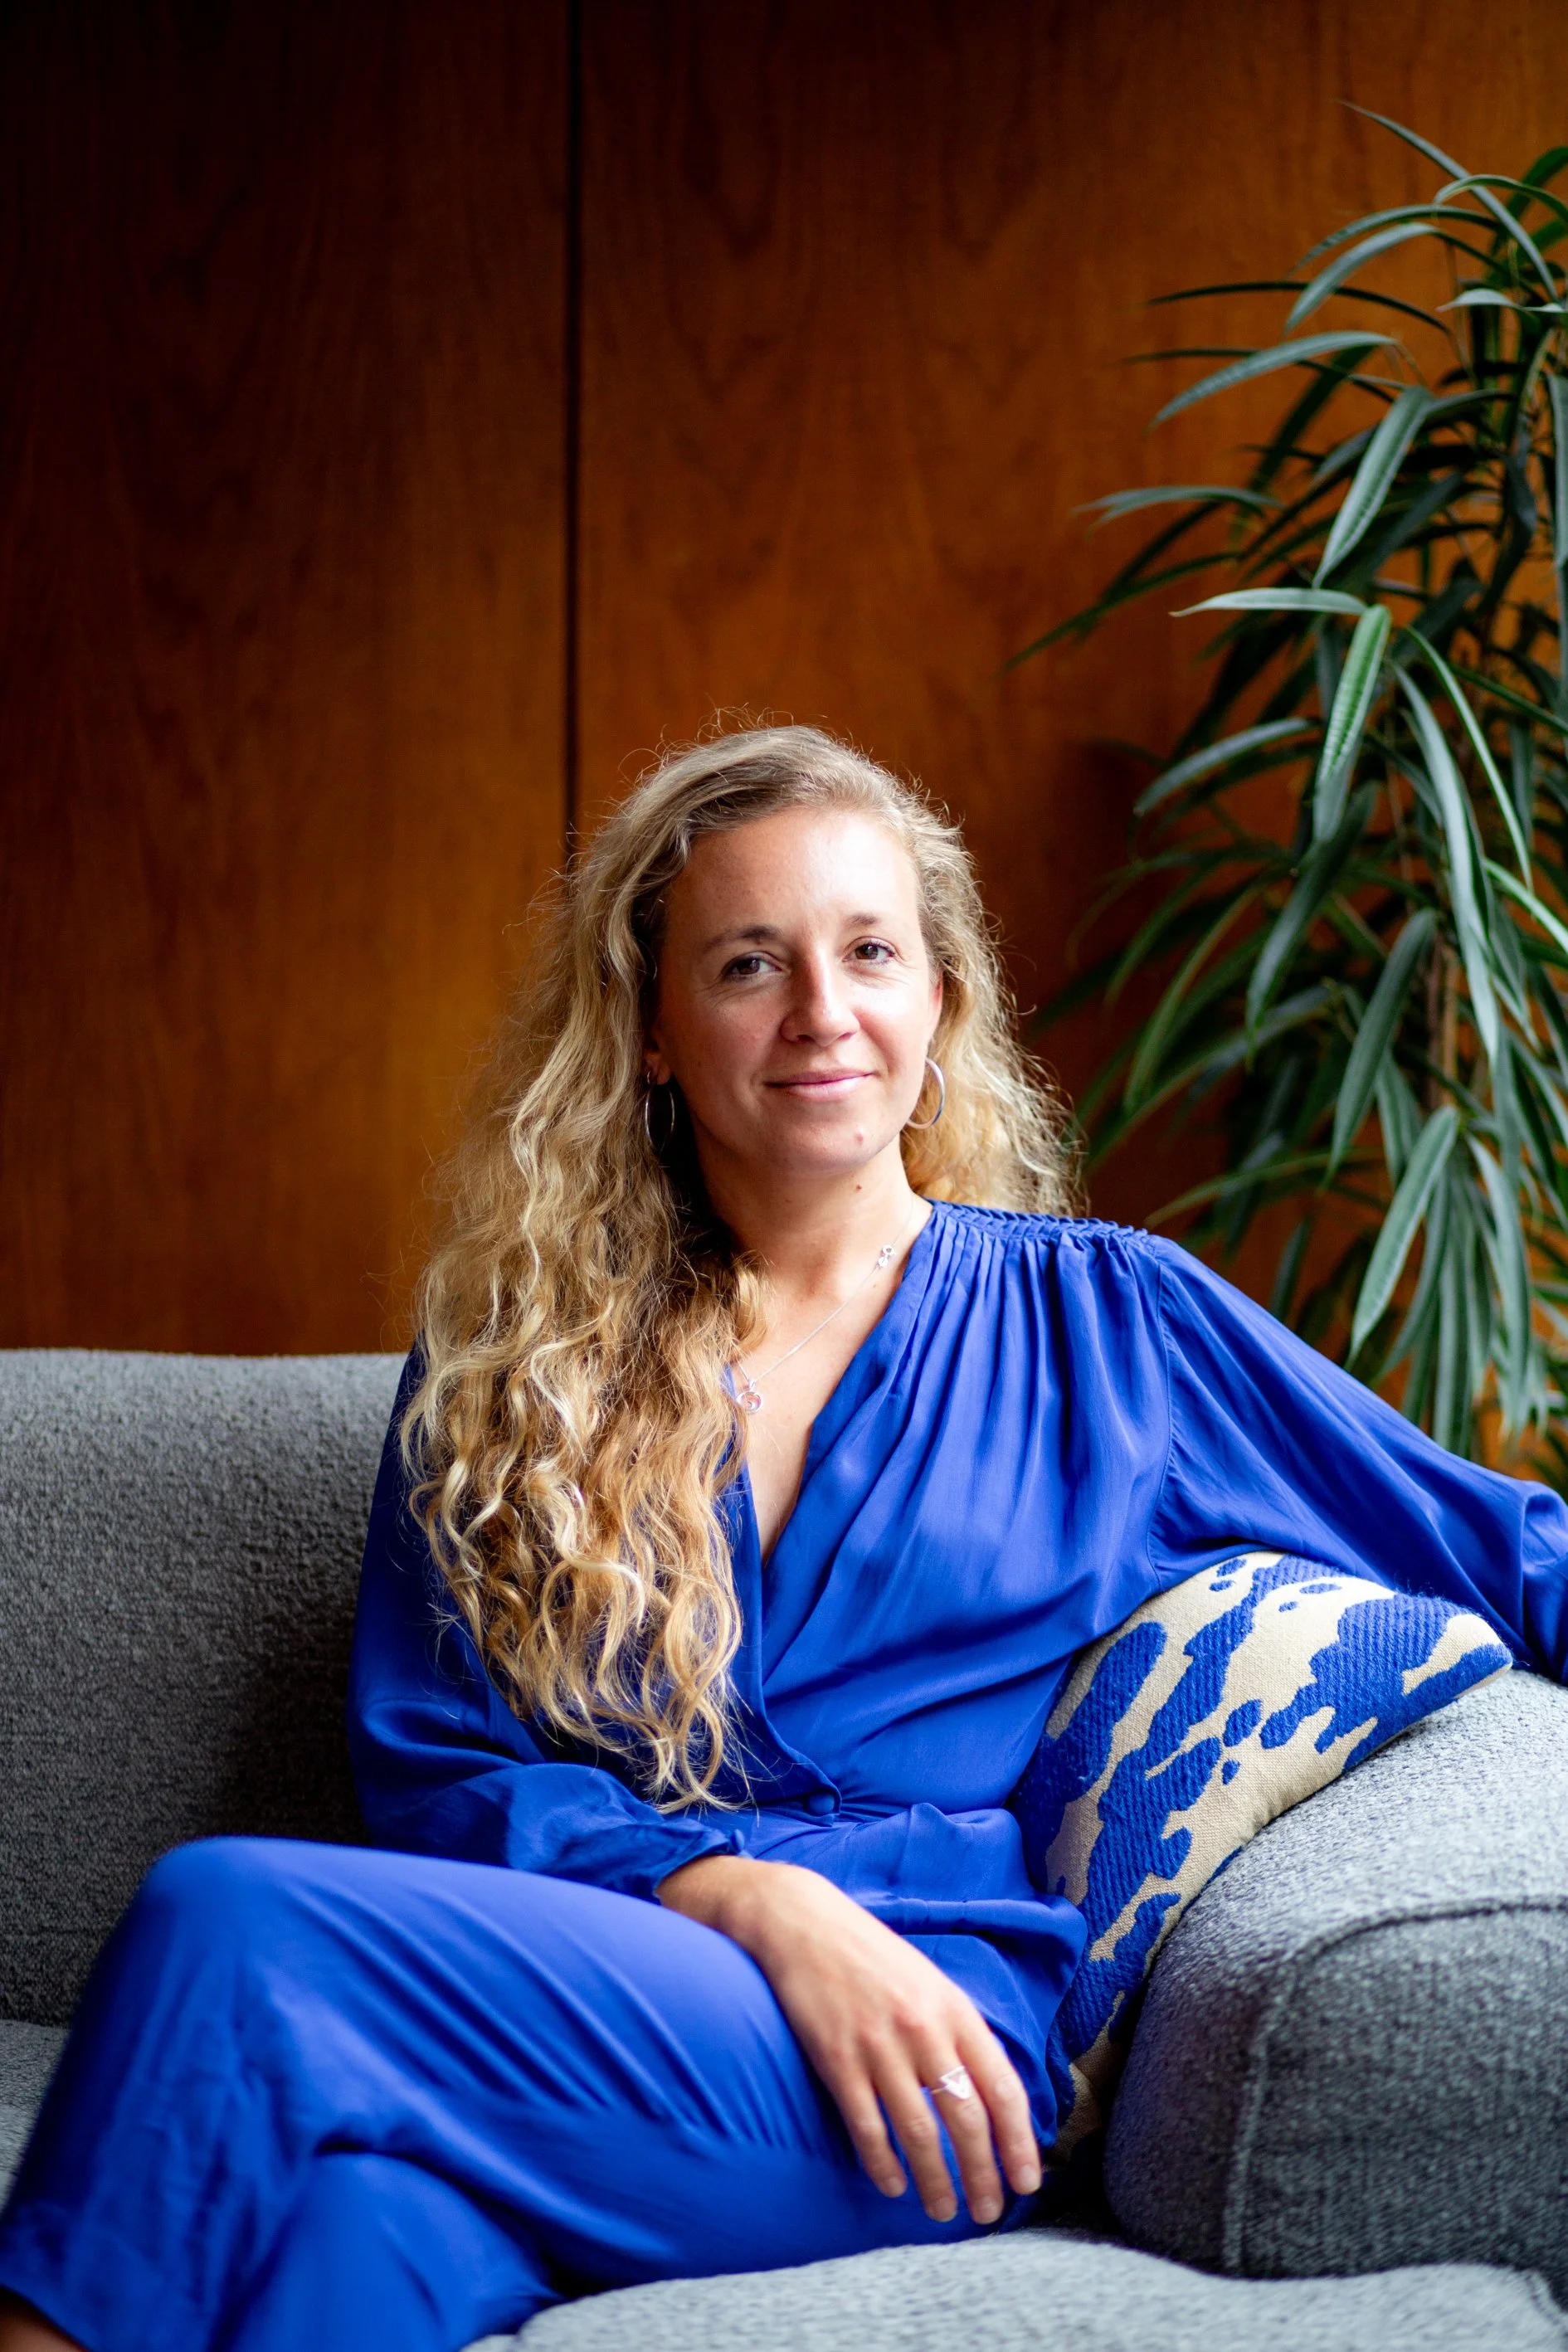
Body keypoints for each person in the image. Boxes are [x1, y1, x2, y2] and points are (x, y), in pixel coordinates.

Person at [0, 725, 1564, 2352]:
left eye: (869, 952)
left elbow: (1514, 1552)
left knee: (230, 1922)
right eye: (750, 962)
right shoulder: (520, 1366)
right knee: (349, 2235)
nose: (822, 1010)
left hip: (916, 2047)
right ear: (652, 1029)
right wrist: (746, 1896)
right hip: (610, 1999)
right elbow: (433, 1767)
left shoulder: (1113, 1327)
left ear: (940, 999)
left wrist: (815, 1918)